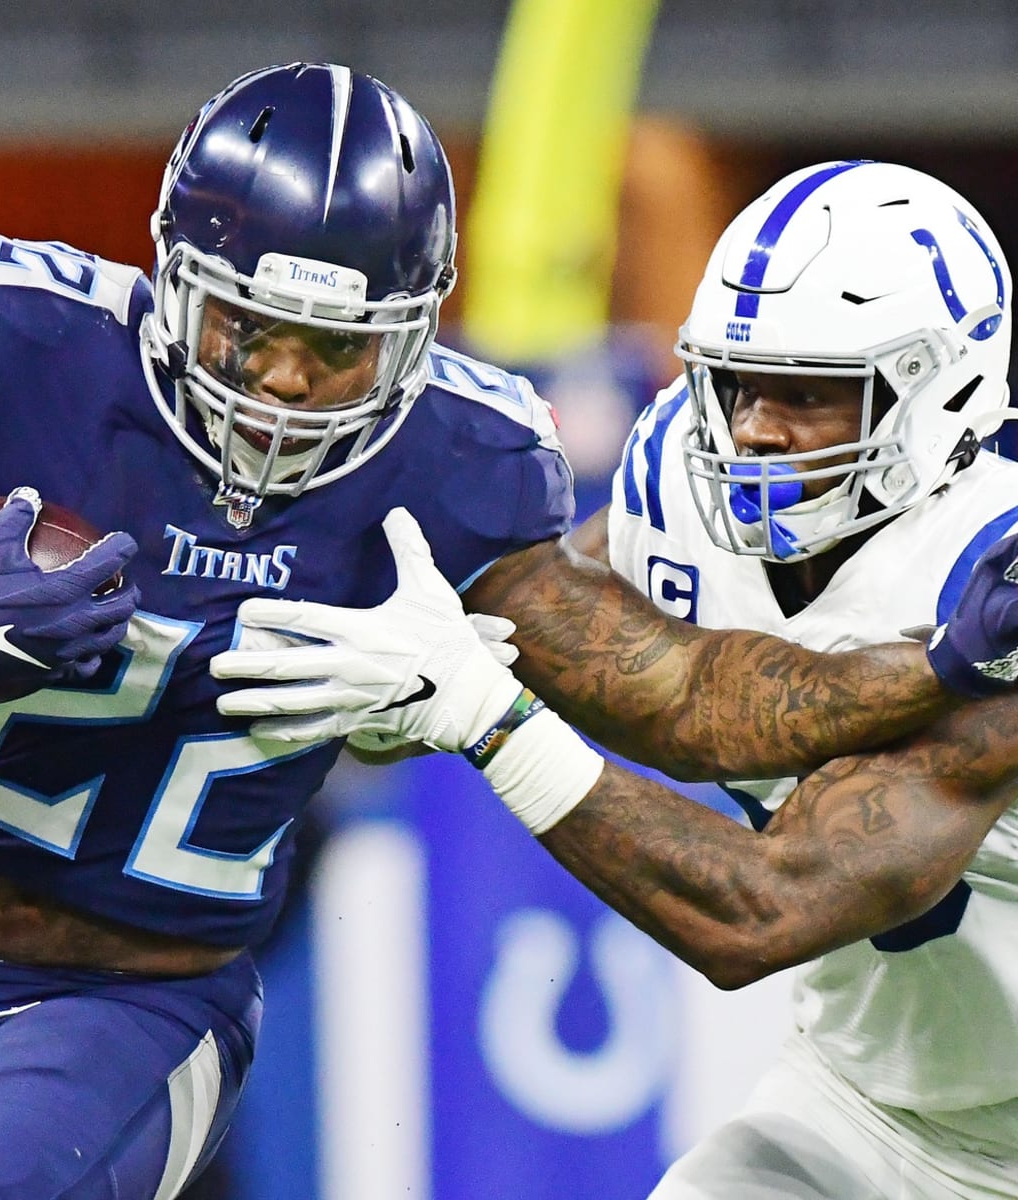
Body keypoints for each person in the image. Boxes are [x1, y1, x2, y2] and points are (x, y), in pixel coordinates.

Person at [0, 76, 1007, 1195]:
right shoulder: (28, 344)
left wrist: (948, 661)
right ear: (173, 277)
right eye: (245, 327)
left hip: (131, 1002)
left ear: (412, 336)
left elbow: (706, 748)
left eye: (337, 348)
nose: (281, 381)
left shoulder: (450, 469)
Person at [211, 161, 1018, 1199]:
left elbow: (763, 910)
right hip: (867, 1101)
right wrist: (384, 687)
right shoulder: (681, 478)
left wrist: (489, 721)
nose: (756, 432)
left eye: (811, 394)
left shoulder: (989, 573)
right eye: (737, 382)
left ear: (943, 392)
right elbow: (545, 666)